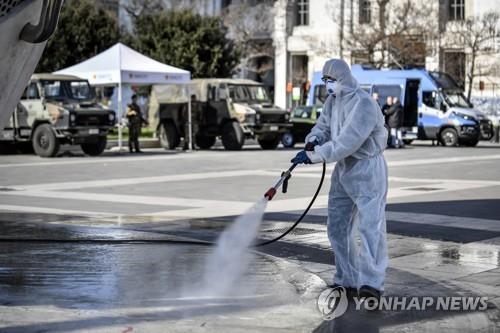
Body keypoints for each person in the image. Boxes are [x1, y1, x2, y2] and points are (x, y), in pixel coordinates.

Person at [291, 59, 389, 303]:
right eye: (325, 81)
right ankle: (347, 278)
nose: (327, 86)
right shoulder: (332, 102)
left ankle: (371, 283)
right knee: (338, 227)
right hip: (344, 170)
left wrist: (315, 155)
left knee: (370, 228)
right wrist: (314, 138)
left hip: (367, 171)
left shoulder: (364, 104)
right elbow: (324, 127)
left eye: (331, 81)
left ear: (344, 78)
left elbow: (347, 142)